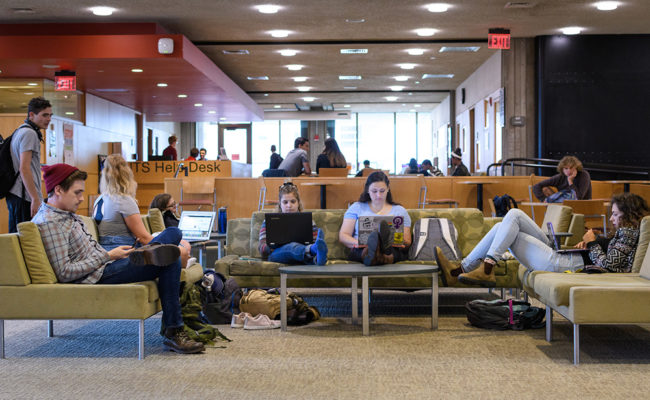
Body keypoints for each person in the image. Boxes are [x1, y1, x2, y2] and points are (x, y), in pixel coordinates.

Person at [32, 163, 204, 354]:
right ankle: (174, 331)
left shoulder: (65, 215)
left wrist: (110, 256)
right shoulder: (51, 223)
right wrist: (108, 255)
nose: (81, 198)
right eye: (77, 193)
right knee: (171, 254)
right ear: (57, 190)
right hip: (98, 274)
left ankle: (150, 255)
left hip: (106, 263)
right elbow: (64, 272)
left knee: (172, 236)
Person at [434, 193, 649, 288]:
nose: (610, 219)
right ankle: (465, 269)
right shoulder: (624, 233)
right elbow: (608, 258)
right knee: (510, 219)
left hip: (561, 264)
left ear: (629, 215)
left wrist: (592, 242)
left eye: (615, 214)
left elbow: (610, 265)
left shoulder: (629, 233)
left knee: (509, 219)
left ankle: (475, 268)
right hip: (565, 258)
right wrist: (590, 244)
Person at [95, 154, 191, 269]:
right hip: (125, 253)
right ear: (127, 175)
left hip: (106, 251)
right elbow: (144, 239)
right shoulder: (123, 200)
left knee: (177, 246)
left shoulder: (99, 199)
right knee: (176, 237)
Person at [339, 171, 412, 265]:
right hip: (361, 248)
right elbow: (343, 236)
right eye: (374, 191)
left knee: (390, 250)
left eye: (382, 191)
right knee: (368, 249)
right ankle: (377, 254)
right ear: (367, 190)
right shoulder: (356, 207)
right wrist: (359, 243)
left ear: (388, 189)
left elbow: (407, 242)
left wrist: (396, 240)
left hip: (391, 249)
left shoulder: (399, 211)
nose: (379, 195)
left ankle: (374, 256)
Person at [7, 97, 52, 233]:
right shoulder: (29, 134)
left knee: (17, 237)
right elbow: (24, 167)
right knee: (25, 239)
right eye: (44, 115)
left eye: (50, 115)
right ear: (31, 115)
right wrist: (35, 198)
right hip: (23, 195)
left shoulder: (20, 130)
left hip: (17, 194)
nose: (48, 119)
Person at [258, 182, 327, 265]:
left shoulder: (308, 220)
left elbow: (316, 243)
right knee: (291, 247)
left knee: (305, 251)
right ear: (280, 204)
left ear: (298, 203)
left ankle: (318, 259)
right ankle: (314, 256)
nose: (289, 205)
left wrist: (315, 245)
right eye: (285, 202)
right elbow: (261, 247)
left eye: (293, 201)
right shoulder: (269, 221)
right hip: (277, 255)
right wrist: (271, 246)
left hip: (301, 255)